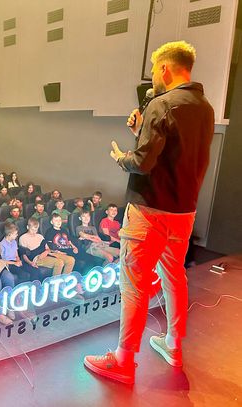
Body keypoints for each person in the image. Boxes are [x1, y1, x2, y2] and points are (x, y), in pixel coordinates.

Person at [84, 41, 215, 385]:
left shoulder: (162, 103)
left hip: (149, 210)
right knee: (174, 277)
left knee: (134, 284)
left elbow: (142, 162)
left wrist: (120, 157)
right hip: (183, 212)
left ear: (165, 69)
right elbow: (170, 154)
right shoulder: (204, 107)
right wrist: (140, 131)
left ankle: (123, 360)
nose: (154, 76)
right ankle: (173, 345)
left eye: (155, 70)